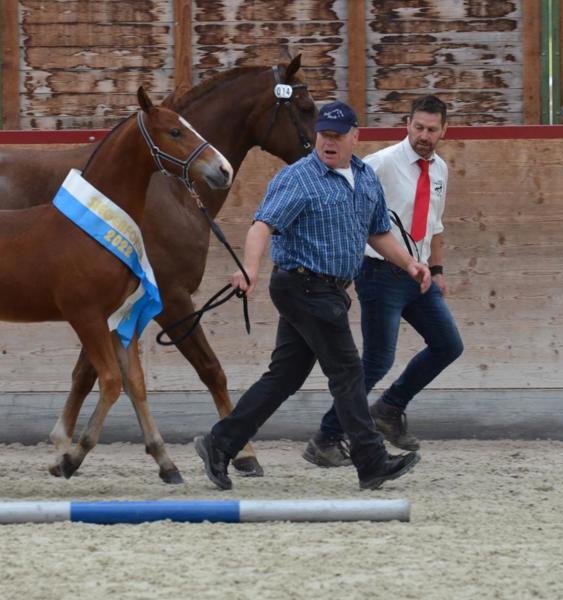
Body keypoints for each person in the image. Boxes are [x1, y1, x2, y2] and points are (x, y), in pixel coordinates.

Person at [193, 101, 430, 491]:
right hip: (302, 285)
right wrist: (250, 268)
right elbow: (262, 225)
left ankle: (220, 444)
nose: (329, 142)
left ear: (356, 137)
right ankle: (371, 461)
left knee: (284, 376)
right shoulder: (299, 178)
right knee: (348, 372)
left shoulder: (366, 178)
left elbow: (378, 232)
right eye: (324, 135)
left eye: (338, 135)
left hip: (328, 290)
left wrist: (410, 264)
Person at [303, 95, 464, 468]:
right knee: (377, 359)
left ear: (444, 130)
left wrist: (436, 271)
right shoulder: (380, 164)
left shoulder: (439, 170)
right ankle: (326, 437)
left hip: (418, 274)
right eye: (418, 127)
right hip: (379, 271)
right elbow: (345, 202)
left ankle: (390, 408)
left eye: (432, 129)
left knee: (448, 345)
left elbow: (435, 224)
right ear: (407, 124)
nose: (424, 135)